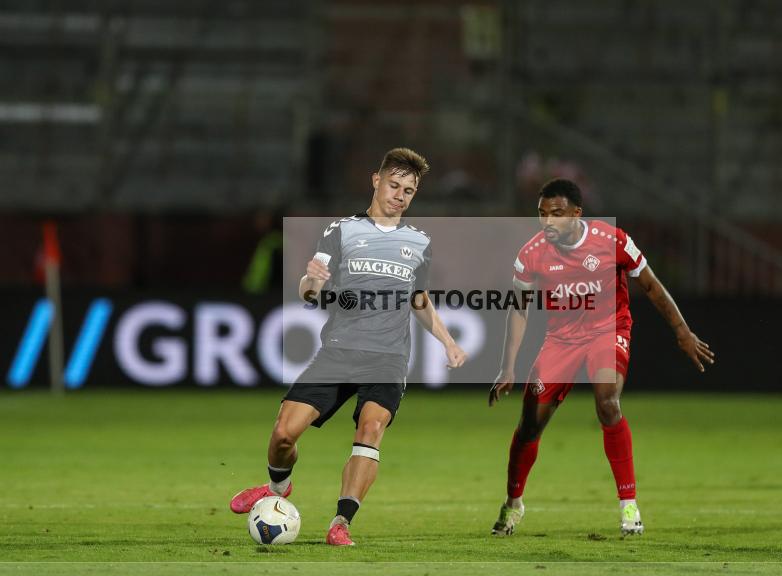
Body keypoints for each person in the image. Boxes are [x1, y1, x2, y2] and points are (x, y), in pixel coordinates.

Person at [230, 148, 467, 546]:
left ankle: (341, 522)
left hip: (388, 358)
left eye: (409, 190)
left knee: (371, 428)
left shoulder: (419, 242)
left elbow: (419, 299)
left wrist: (448, 341)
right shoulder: (340, 230)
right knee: (285, 434)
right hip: (339, 351)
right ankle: (277, 487)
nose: (400, 195)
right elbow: (310, 290)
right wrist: (313, 281)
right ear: (376, 180)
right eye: (394, 185)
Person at [488, 178, 714, 536]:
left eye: (557, 214)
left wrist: (682, 331)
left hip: (608, 332)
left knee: (607, 401)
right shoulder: (531, 254)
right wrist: (508, 365)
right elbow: (519, 310)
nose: (548, 222)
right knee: (530, 424)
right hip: (560, 341)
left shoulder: (612, 241)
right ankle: (513, 503)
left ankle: (629, 506)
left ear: (577, 214)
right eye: (542, 214)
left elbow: (652, 286)